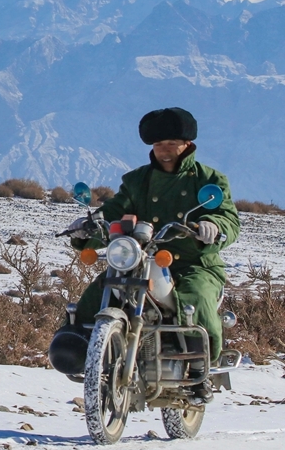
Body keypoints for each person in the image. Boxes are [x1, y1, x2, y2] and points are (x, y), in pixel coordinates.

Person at [54, 107, 239, 400]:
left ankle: (199, 369)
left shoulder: (209, 180)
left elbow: (228, 217)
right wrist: (88, 228)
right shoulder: (137, 180)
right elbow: (115, 212)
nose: (164, 151)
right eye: (158, 145)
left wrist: (212, 226)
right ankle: (76, 347)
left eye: (170, 144)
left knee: (196, 299)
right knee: (100, 290)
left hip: (193, 262)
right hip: (140, 258)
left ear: (187, 145)